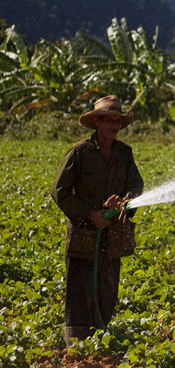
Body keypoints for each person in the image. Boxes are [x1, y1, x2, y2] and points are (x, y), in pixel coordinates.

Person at [51, 95, 144, 341]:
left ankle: (100, 338)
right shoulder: (80, 152)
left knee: (107, 289)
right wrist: (91, 215)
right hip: (84, 236)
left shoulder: (125, 153)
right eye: (109, 120)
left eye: (118, 121)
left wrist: (125, 201)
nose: (114, 125)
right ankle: (76, 345)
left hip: (112, 237)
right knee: (79, 290)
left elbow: (135, 184)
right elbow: (60, 191)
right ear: (97, 123)